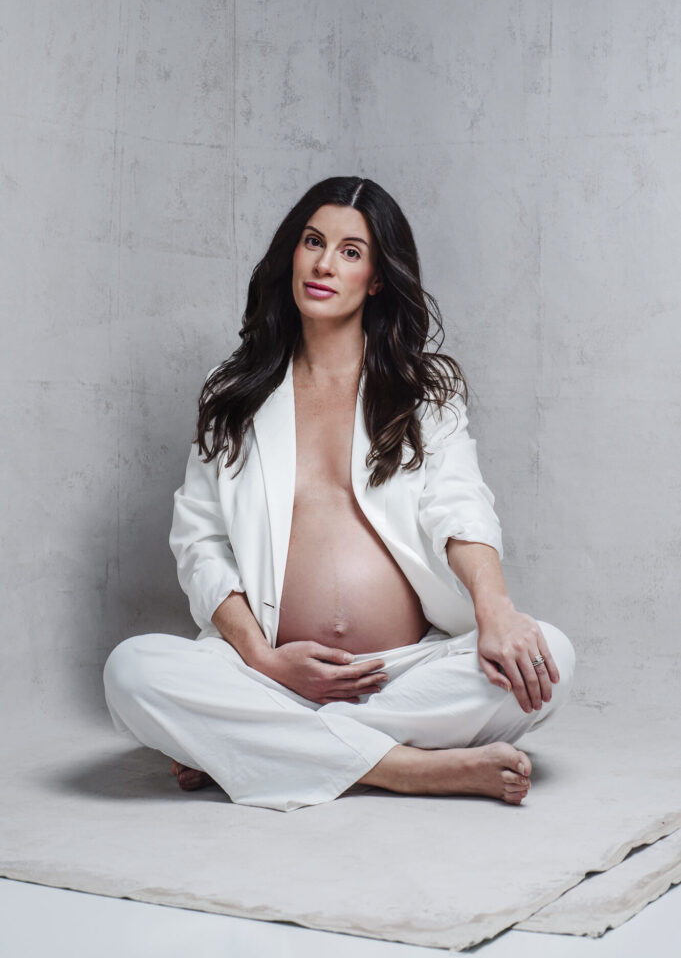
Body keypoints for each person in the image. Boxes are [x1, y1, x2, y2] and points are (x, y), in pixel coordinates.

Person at [103, 175, 576, 812]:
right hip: (266, 672)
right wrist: (265, 663)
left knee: (551, 660)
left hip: (402, 674)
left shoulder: (420, 390)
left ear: (376, 278)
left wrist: (497, 613)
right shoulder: (234, 388)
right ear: (291, 254)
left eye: (351, 251)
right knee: (131, 671)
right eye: (313, 241)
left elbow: (459, 504)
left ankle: (245, 748)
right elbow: (200, 543)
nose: (325, 263)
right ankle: (405, 768)